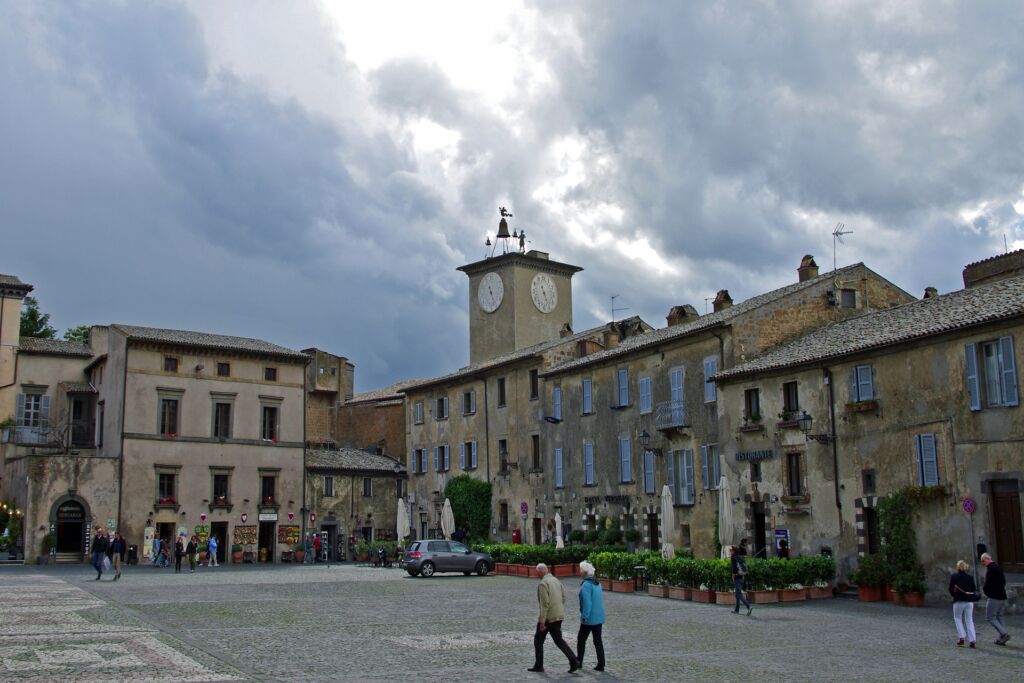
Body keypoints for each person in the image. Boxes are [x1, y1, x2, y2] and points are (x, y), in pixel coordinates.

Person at [529, 563, 581, 674]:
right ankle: (574, 660)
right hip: (559, 615)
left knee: (538, 640)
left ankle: (539, 665)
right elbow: (563, 597)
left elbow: (544, 604)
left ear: (540, 572)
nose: (537, 574)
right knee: (559, 640)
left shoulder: (543, 584)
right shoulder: (556, 580)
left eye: (537, 572)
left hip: (548, 617)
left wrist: (542, 621)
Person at [575, 560, 606, 672]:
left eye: (580, 570)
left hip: (589, 619)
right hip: (599, 617)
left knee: (581, 640)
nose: (579, 572)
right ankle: (601, 664)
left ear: (584, 572)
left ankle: (579, 662)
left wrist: (584, 617)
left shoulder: (586, 585)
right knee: (598, 641)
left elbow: (587, 603)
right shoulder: (597, 583)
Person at [981, 553, 1010, 645]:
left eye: (983, 561)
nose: (983, 563)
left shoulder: (990, 569)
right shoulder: (998, 567)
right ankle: (1001, 638)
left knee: (990, 617)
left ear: (986, 559)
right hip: (1003, 596)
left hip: (994, 597)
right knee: (999, 616)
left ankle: (1004, 634)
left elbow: (987, 584)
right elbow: (1004, 581)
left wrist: (987, 593)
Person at [949, 559, 978, 647]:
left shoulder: (954, 576)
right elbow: (973, 589)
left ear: (958, 567)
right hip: (969, 601)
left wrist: (954, 595)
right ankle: (972, 640)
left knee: (957, 618)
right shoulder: (970, 577)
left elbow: (951, 588)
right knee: (969, 620)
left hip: (959, 600)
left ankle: (961, 637)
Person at [731, 545, 752, 616]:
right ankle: (736, 610)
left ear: (734, 551)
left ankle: (748, 607)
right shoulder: (741, 557)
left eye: (731, 550)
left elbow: (734, 569)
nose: (730, 551)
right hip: (742, 577)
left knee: (738, 594)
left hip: (737, 577)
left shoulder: (733, 558)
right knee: (737, 594)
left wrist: (733, 576)